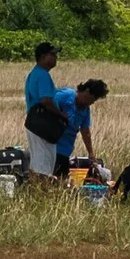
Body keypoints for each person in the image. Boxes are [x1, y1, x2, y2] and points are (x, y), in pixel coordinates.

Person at [52, 77, 110, 180]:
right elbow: (48, 104)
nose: (92, 103)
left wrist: (91, 153)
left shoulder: (85, 110)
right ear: (86, 91)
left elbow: (85, 131)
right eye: (92, 99)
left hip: (65, 151)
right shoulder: (66, 95)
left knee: (61, 180)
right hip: (51, 146)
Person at [22, 41, 62, 179]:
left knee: (37, 162)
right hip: (43, 123)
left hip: (34, 122)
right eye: (52, 55)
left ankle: (35, 190)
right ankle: (41, 191)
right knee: (44, 165)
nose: (55, 58)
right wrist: (61, 115)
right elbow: (46, 101)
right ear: (43, 56)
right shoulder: (43, 75)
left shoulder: (34, 73)